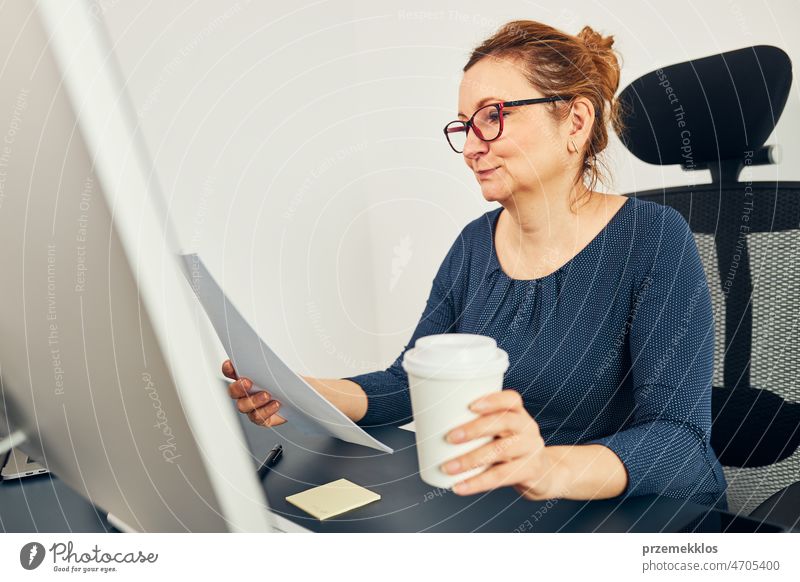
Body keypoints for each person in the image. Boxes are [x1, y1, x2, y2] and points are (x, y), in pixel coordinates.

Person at [223, 20, 728, 509]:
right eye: (465, 125)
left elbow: (681, 444)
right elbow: (406, 384)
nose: (469, 148)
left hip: (635, 519)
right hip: (506, 509)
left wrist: (545, 467)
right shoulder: (473, 245)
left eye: (493, 116)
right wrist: (296, 390)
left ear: (575, 121)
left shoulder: (654, 241)